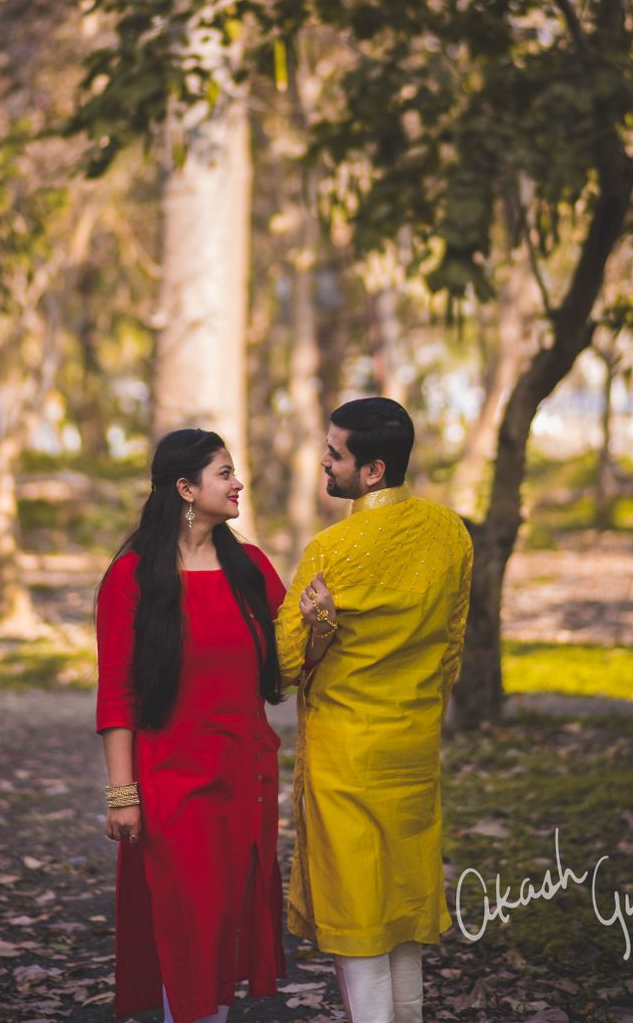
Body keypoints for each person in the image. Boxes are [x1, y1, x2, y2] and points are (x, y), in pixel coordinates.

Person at [275, 396, 474, 1023]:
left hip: (346, 756)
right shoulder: (451, 532)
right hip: (413, 749)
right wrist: (420, 711)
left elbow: (280, 666)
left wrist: (318, 628)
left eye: (334, 454)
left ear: (373, 472)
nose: (324, 463)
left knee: (360, 914)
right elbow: (451, 648)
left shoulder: (334, 550)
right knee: (403, 910)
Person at [95, 428, 289, 1023]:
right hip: (172, 784)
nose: (238, 483)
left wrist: (324, 623)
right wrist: (123, 794)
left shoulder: (250, 566)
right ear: (185, 487)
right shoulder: (132, 578)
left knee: (227, 925)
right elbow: (117, 695)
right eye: (225, 473)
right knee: (190, 928)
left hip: (246, 776)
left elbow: (288, 663)